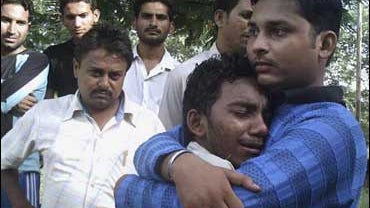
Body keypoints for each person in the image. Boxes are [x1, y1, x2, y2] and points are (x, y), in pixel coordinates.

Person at [114, 0, 368, 207]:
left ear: (324, 44)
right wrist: (179, 162)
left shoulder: (330, 130)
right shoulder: (275, 107)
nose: (256, 45)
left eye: (278, 31)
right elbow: (156, 144)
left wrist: (124, 187)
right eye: (254, 31)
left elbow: (225, 202)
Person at [1, 24, 164, 208]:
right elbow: (4, 161)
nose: (104, 83)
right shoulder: (44, 114)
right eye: (96, 73)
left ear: (125, 74)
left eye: (115, 75)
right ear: (76, 68)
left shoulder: (148, 125)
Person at [158, 0, 252, 129]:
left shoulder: (266, 77)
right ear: (220, 18)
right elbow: (166, 137)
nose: (253, 25)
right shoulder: (183, 76)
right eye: (246, 16)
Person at [1, 0, 49, 207]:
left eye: (20, 22)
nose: (12, 29)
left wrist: (8, 100)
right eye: (5, 20)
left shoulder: (36, 60)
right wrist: (10, 102)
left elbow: (6, 98)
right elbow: (7, 99)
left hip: (19, 169)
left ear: (29, 26)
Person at [123, 0, 180, 114]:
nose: (153, 23)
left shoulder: (180, 74)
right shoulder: (118, 68)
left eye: (160, 17)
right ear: (134, 23)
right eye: (147, 16)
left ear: (171, 27)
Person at [44, 0, 100, 98]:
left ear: (95, 16)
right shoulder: (54, 55)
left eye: (83, 16)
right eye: (70, 17)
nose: (77, 24)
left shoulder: (114, 52)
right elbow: (47, 99)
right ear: (63, 19)